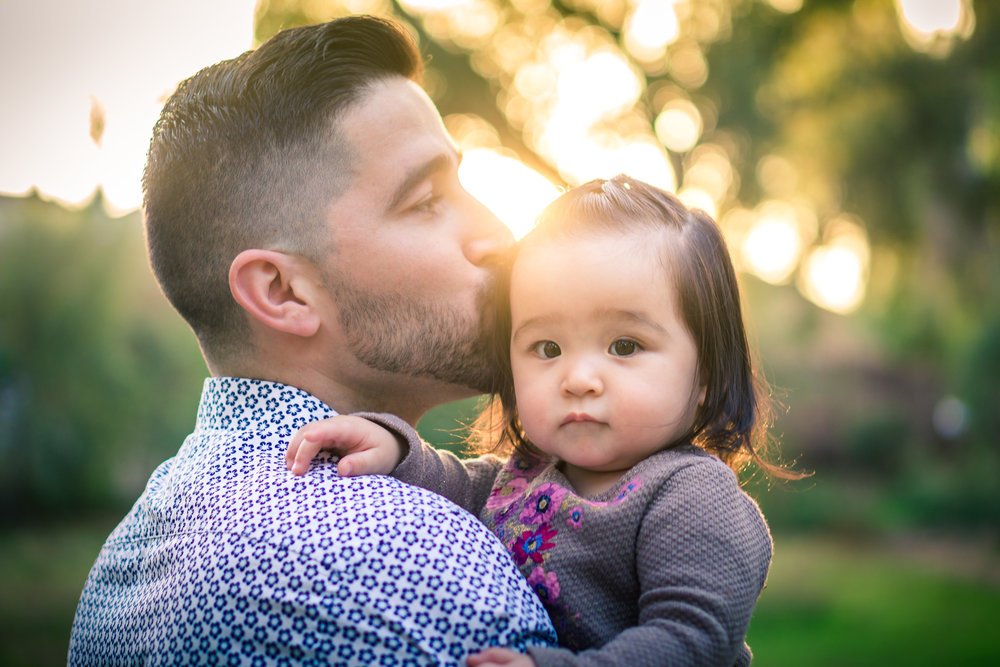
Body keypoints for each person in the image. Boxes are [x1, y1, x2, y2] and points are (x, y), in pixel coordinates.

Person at [68, 16, 557, 665]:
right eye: (425, 200)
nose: (496, 235)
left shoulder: (122, 567)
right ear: (281, 291)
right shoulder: (409, 559)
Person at [287, 175, 799, 666]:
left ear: (706, 370)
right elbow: (456, 486)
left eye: (625, 346)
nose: (577, 378)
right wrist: (396, 449)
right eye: (547, 348)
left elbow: (693, 641)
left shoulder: (693, 495)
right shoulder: (521, 476)